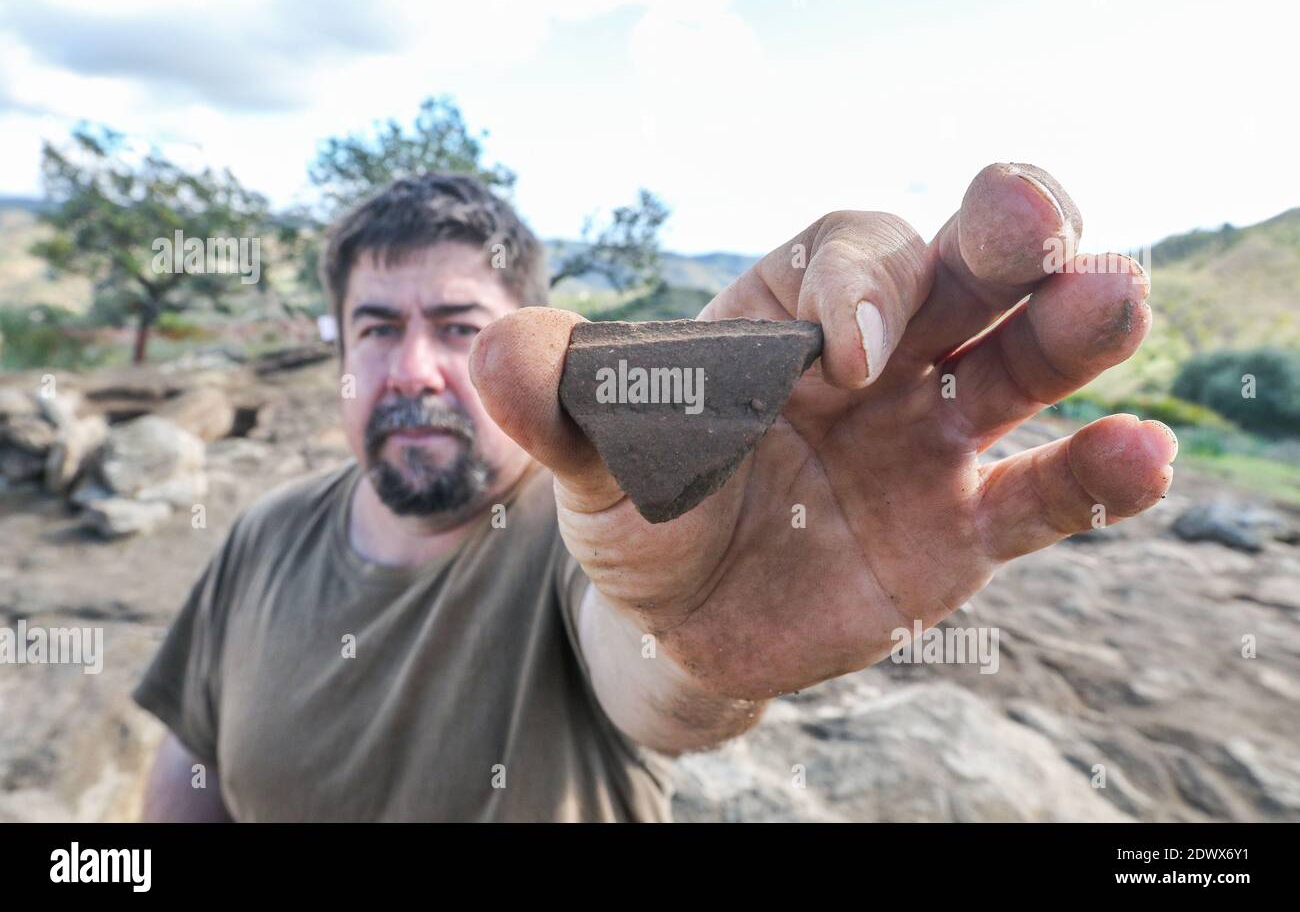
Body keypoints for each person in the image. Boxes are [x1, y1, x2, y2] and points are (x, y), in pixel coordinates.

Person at [135, 165, 1177, 821]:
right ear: (341, 359)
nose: (413, 368)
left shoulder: (590, 538)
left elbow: (649, 672)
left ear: (522, 337)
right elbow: (191, 773)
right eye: (376, 328)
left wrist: (699, 646)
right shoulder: (266, 531)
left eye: (459, 328)